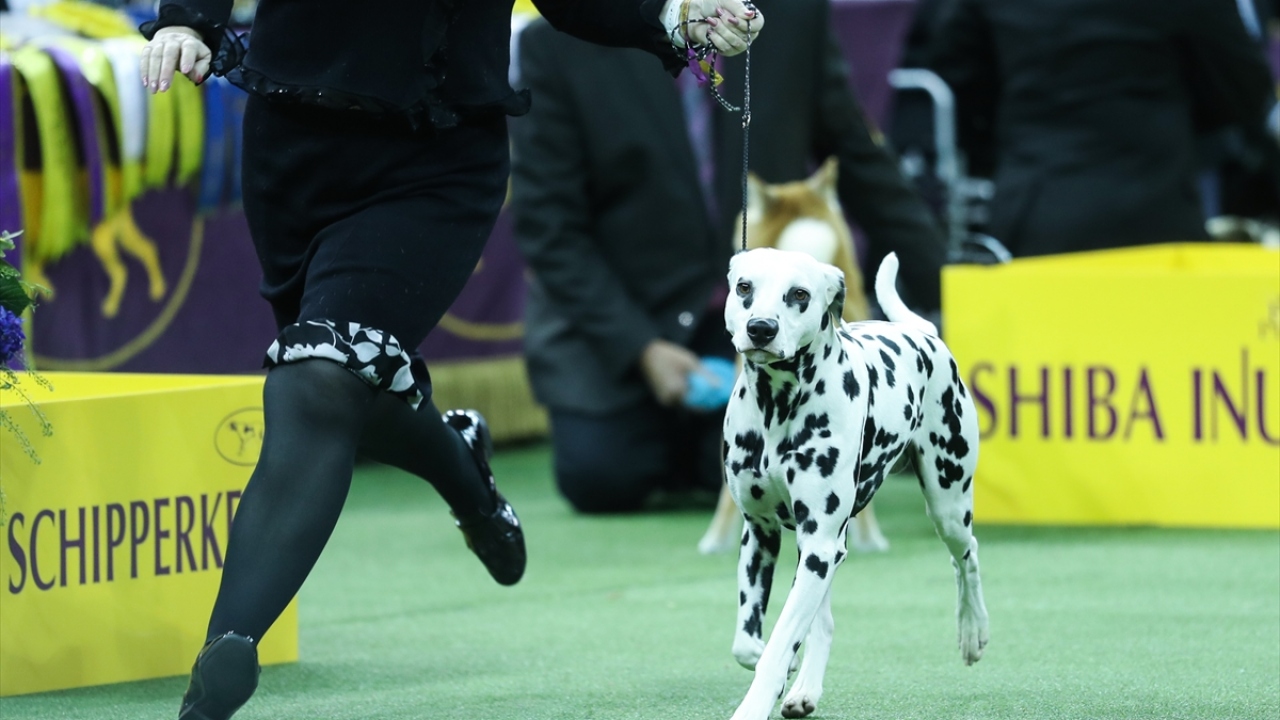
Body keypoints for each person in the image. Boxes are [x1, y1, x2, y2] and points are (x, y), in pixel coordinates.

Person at [137, 1, 762, 718]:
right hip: (290, 144)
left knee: (320, 378)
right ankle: (460, 467)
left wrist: (671, 11)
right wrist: (187, 20)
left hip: (436, 155)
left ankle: (222, 663)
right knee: (347, 386)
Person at [510, 0, 947, 514]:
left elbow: (858, 159)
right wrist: (641, 349)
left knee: (742, 466)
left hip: (760, 319)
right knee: (603, 475)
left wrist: (954, 292)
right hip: (623, 320)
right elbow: (551, 228)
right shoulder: (559, 38)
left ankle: (701, 448)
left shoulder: (791, 14)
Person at [928, 0, 1277, 257]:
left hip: (1036, 206)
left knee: (1042, 337)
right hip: (1157, 207)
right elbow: (1244, 90)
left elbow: (957, 80)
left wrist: (1014, 139)